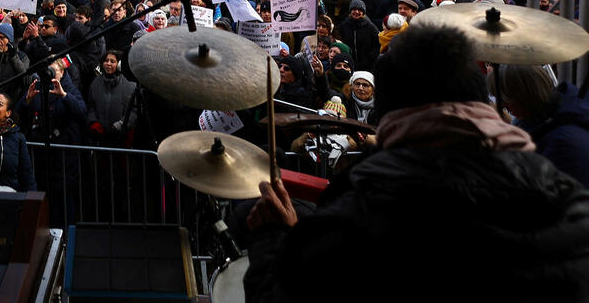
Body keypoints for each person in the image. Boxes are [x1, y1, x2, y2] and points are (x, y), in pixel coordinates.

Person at [242, 25, 589, 302]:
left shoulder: (353, 224)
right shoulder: (569, 204)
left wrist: (273, 240)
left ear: (388, 113)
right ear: (481, 97)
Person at [494, 64, 589, 188]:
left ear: (523, 97)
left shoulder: (562, 142)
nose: (503, 106)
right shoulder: (540, 120)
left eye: (506, 100)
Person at [86, 50, 137, 147]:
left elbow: (134, 111)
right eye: (106, 60)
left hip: (122, 137)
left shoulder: (130, 84)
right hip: (101, 138)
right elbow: (91, 106)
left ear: (119, 64)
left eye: (112, 61)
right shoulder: (95, 83)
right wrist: (93, 122)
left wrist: (119, 125)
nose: (108, 64)